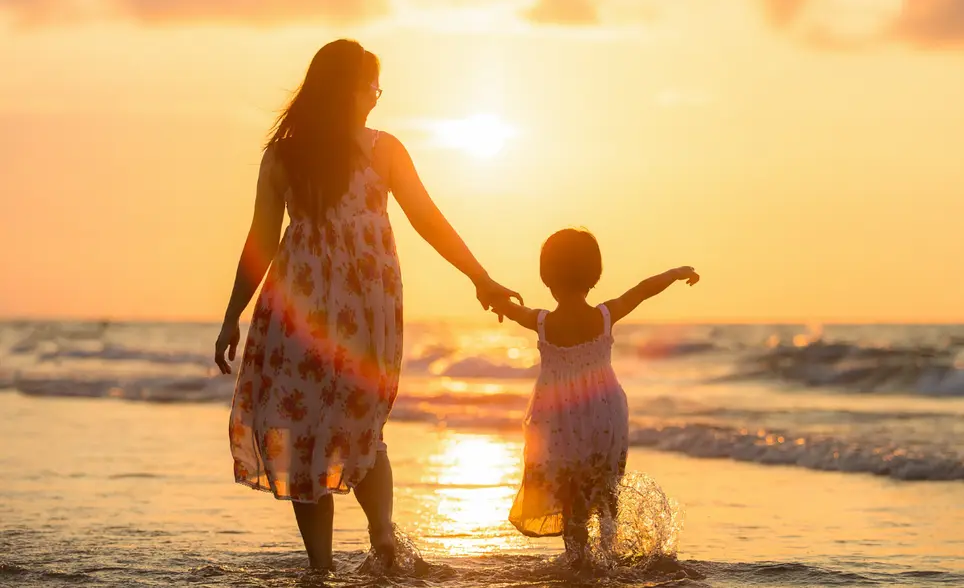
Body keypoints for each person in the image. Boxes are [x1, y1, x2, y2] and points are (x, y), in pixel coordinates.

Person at [213, 39, 521, 570]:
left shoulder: (292, 152)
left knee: (305, 427)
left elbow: (262, 241)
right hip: (359, 305)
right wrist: (480, 278)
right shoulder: (375, 150)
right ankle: (379, 543)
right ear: (349, 89)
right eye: (372, 86)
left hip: (302, 306)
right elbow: (426, 218)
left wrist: (233, 315)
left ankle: (327, 565)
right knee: (353, 425)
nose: (377, 98)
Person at [490, 228, 699, 567]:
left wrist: (493, 299)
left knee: (572, 497)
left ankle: (578, 560)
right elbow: (643, 290)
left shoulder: (542, 321)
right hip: (605, 415)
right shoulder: (604, 316)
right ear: (595, 275)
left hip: (559, 423)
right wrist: (676, 274)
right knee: (606, 489)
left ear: (546, 277)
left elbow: (511, 310)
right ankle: (609, 554)